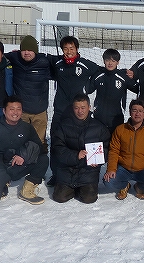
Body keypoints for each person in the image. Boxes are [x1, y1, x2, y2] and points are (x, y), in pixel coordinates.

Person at [0, 96, 49, 209]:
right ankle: (3, 183)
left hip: (18, 166)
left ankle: (27, 190)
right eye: (11, 109)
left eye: (18, 109)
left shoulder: (27, 128)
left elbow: (38, 147)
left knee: (43, 159)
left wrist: (23, 155)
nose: (15, 112)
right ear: (4, 111)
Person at [48, 36, 99, 186]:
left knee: (78, 142)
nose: (69, 51)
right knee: (56, 142)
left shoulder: (85, 64)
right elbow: (42, 59)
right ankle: (56, 174)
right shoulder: (57, 62)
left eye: (72, 48)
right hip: (60, 112)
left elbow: (99, 71)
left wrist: (87, 88)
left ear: (77, 49)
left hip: (78, 113)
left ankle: (82, 172)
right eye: (65, 48)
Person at [51, 94, 110, 204]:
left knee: (89, 199)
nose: (80, 111)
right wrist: (75, 155)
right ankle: (71, 188)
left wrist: (98, 160)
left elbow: (107, 148)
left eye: (83, 108)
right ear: (72, 108)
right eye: (76, 108)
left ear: (89, 107)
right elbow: (58, 148)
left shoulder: (99, 127)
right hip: (67, 169)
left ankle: (81, 188)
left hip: (88, 171)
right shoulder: (64, 126)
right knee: (60, 197)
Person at [103, 99, 144, 200]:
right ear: (130, 112)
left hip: (142, 169)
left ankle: (139, 186)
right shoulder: (120, 129)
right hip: (124, 169)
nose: (137, 113)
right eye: (134, 110)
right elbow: (114, 151)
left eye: (140, 111)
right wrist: (111, 169)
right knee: (108, 182)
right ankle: (124, 186)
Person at [4, 35, 53, 149]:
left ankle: (39, 164)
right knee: (20, 141)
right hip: (22, 112)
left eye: (30, 50)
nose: (27, 53)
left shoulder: (45, 62)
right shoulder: (14, 58)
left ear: (35, 51)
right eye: (24, 50)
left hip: (40, 112)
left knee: (38, 142)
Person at [85, 49, 137, 134]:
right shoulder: (98, 76)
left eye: (113, 61)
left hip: (116, 118)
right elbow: (88, 90)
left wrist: (136, 75)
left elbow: (138, 89)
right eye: (107, 60)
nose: (110, 63)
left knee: (114, 145)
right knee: (100, 145)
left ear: (118, 62)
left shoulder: (123, 76)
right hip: (99, 117)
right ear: (104, 61)